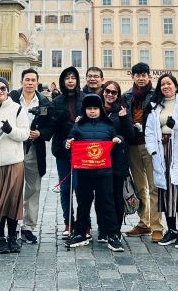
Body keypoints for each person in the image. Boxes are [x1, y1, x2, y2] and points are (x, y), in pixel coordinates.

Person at [144, 73, 178, 249]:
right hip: (162, 152)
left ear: (175, 86)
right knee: (166, 192)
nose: (166, 87)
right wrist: (152, 150)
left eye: (169, 83)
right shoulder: (156, 107)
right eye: (162, 84)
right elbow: (149, 131)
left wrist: (176, 125)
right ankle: (171, 230)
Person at [65, 93, 124, 252]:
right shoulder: (78, 126)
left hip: (104, 172)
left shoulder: (108, 125)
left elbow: (118, 137)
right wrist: (68, 143)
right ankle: (80, 232)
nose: (92, 111)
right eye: (89, 108)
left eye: (95, 108)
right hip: (84, 172)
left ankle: (112, 234)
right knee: (83, 203)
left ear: (100, 110)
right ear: (84, 110)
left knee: (107, 203)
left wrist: (118, 140)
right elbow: (69, 139)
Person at [0, 77, 30, 253]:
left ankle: (12, 237)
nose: (0, 91)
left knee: (12, 202)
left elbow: (25, 134)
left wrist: (11, 130)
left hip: (14, 163)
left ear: (8, 90)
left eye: (3, 88)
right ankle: (0, 239)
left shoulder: (17, 109)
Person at [9, 67, 53, 244]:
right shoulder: (12, 98)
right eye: (27, 80)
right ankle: (12, 226)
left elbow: (51, 126)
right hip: (14, 147)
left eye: (33, 80)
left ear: (37, 82)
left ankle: (28, 227)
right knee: (12, 188)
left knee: (33, 188)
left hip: (34, 149)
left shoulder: (44, 102)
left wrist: (41, 134)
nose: (30, 83)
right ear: (21, 82)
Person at [123, 62, 162, 242]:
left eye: (144, 75)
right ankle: (143, 222)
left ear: (149, 76)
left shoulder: (156, 95)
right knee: (140, 186)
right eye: (137, 75)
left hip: (151, 145)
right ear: (133, 77)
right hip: (133, 145)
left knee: (154, 186)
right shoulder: (127, 96)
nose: (140, 78)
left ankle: (156, 226)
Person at [50, 66, 83, 238]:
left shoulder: (85, 98)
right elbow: (52, 125)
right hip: (62, 149)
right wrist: (60, 119)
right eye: (67, 78)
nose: (70, 81)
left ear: (77, 80)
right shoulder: (56, 101)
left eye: (73, 77)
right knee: (65, 188)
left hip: (82, 149)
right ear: (63, 81)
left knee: (81, 187)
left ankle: (84, 223)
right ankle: (68, 222)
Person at [103, 79, 135, 240]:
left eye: (113, 92)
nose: (110, 94)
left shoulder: (122, 110)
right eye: (107, 91)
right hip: (100, 160)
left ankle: (116, 229)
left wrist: (124, 119)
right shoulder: (97, 109)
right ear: (103, 92)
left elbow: (130, 135)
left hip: (117, 160)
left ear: (118, 95)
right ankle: (104, 227)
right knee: (104, 196)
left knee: (117, 195)